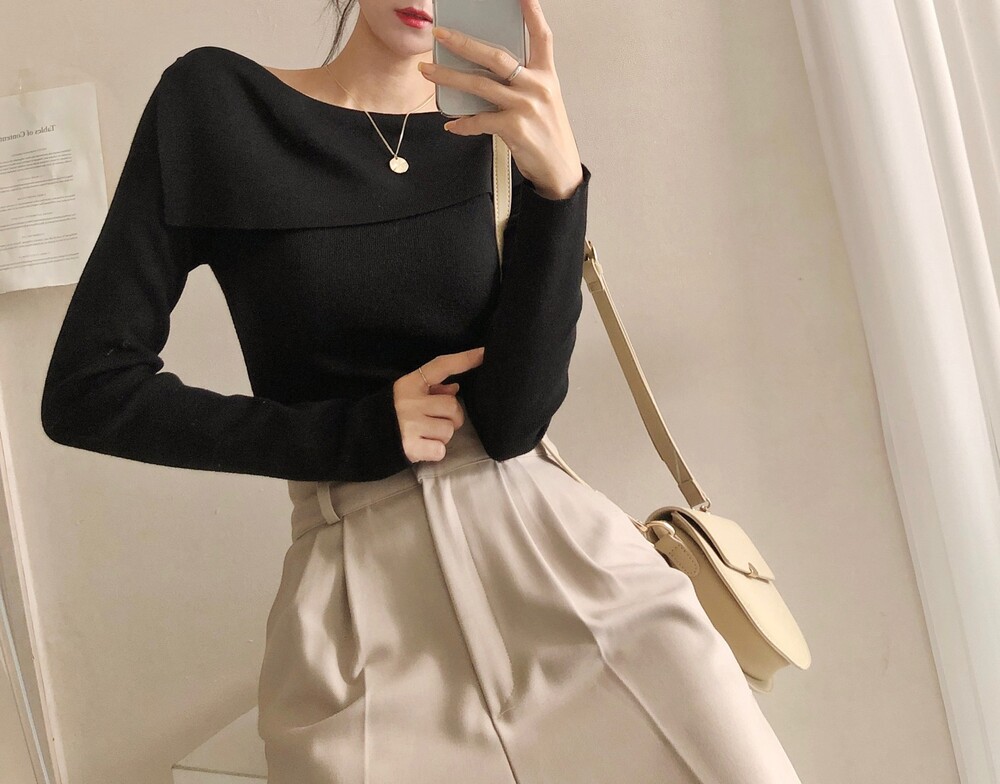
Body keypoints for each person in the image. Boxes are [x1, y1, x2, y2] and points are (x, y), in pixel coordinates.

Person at [40, 0, 804, 781]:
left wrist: (559, 190)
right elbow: (88, 388)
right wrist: (356, 432)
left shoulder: (496, 124)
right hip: (359, 610)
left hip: (563, 570)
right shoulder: (217, 106)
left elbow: (513, 423)